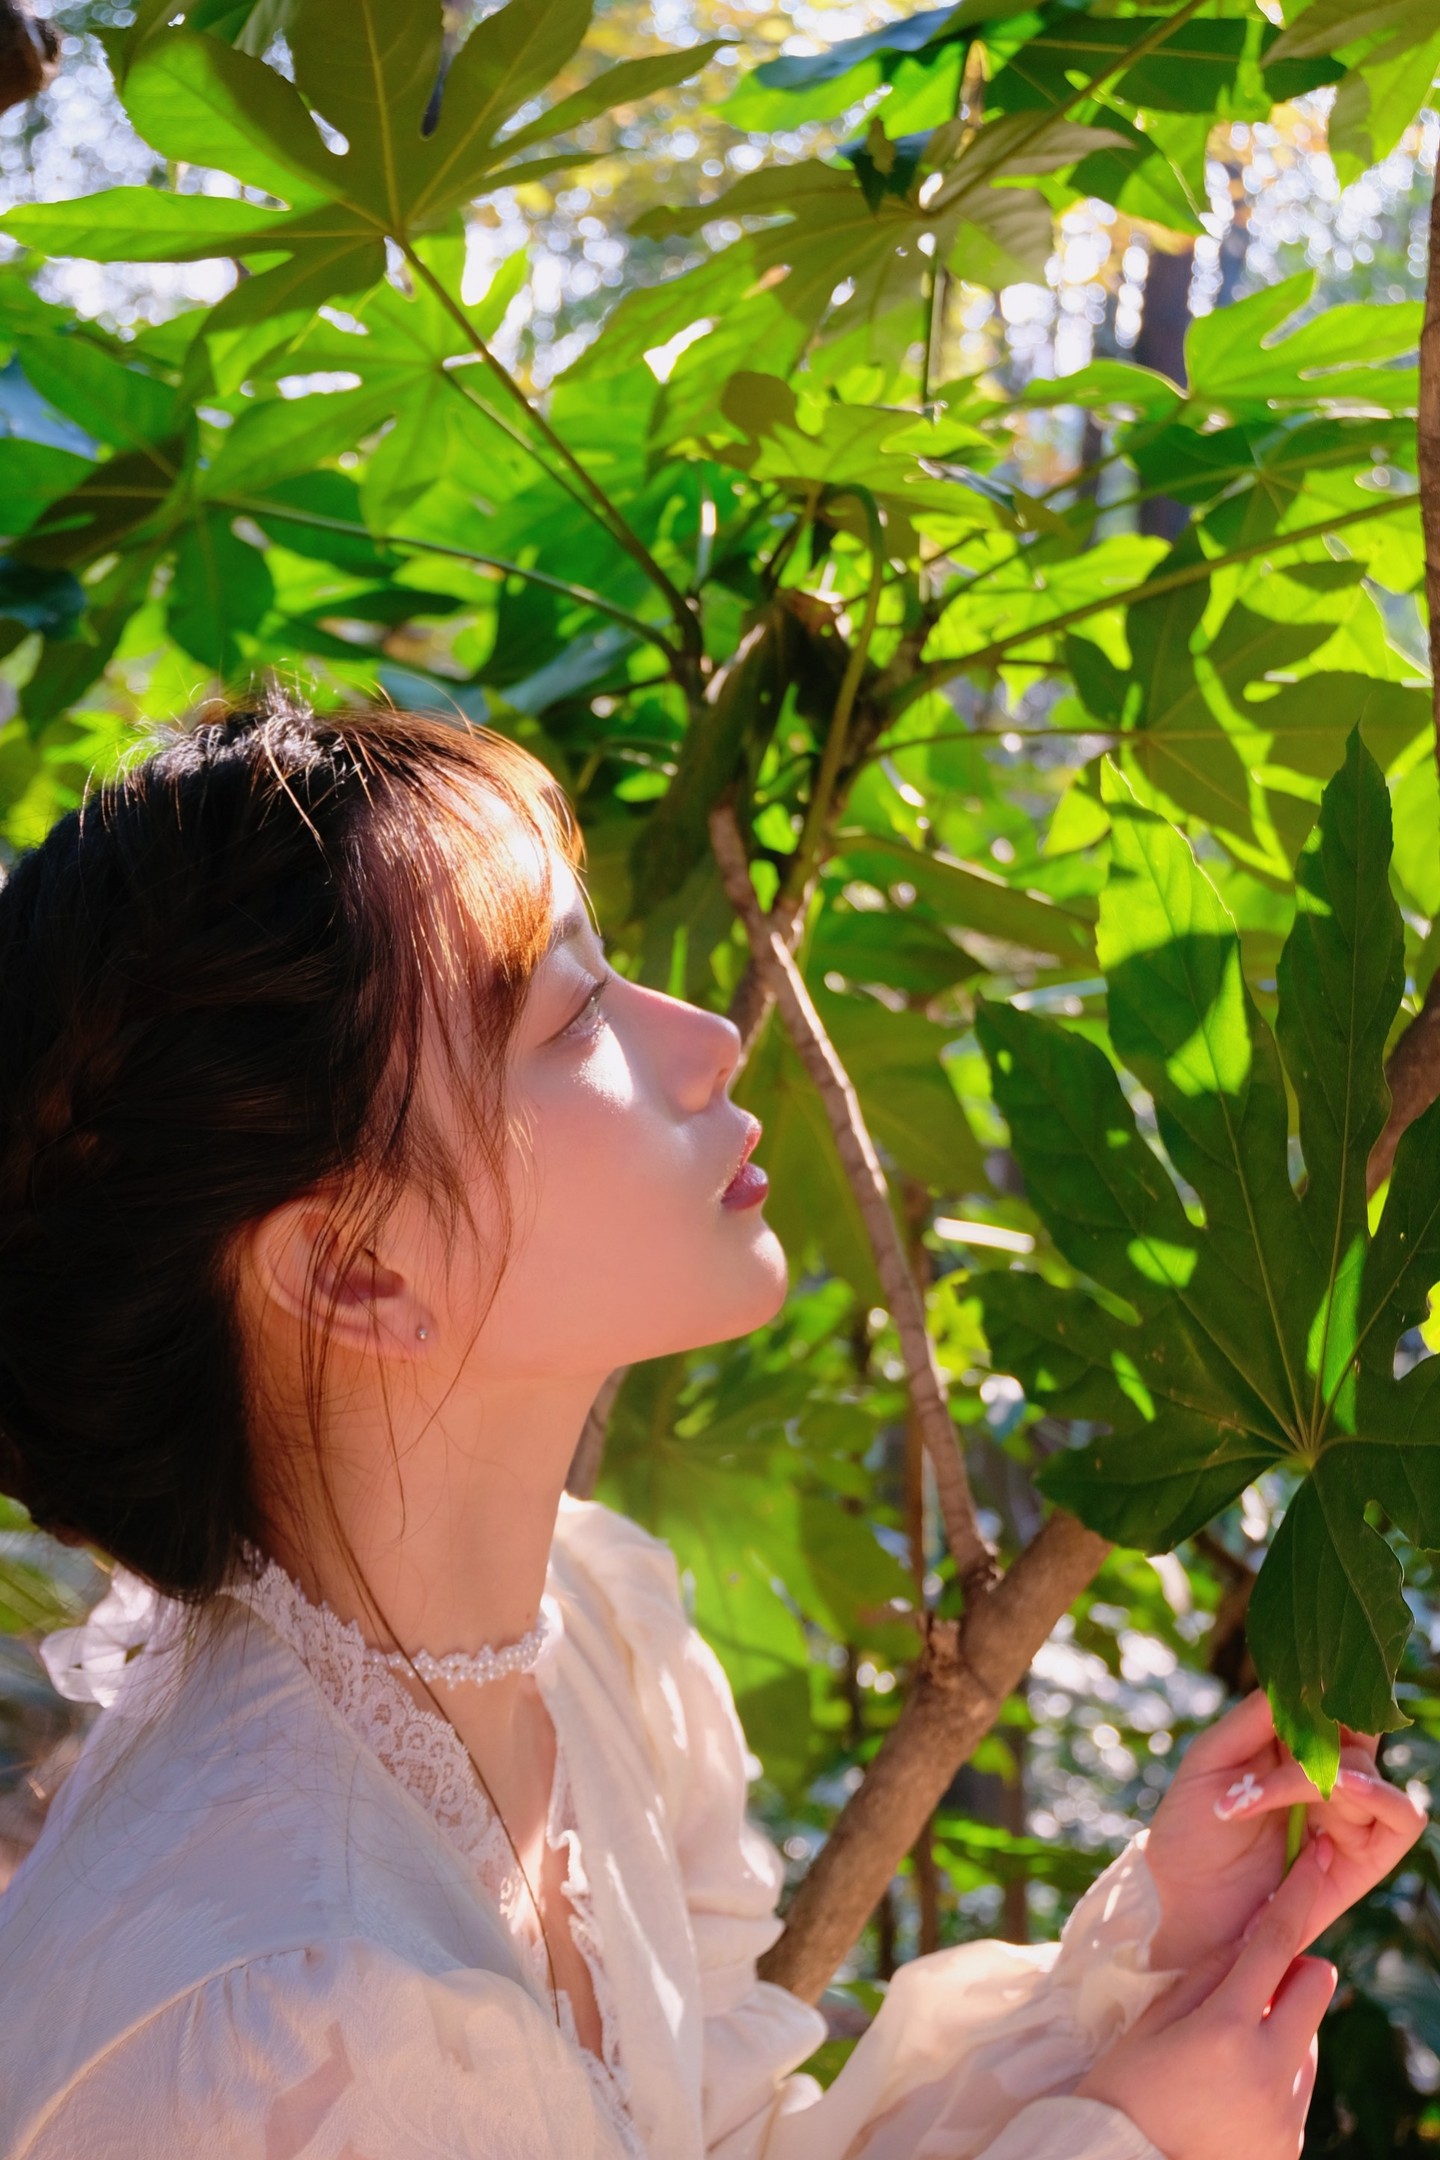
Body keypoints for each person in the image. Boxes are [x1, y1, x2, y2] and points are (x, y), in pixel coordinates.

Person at [0, 694, 1423, 2160]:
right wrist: (1124, 2140)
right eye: (572, 1017)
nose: (707, 1040)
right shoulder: (306, 2025)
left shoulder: (587, 1630)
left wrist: (1151, 1967)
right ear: (358, 1272)